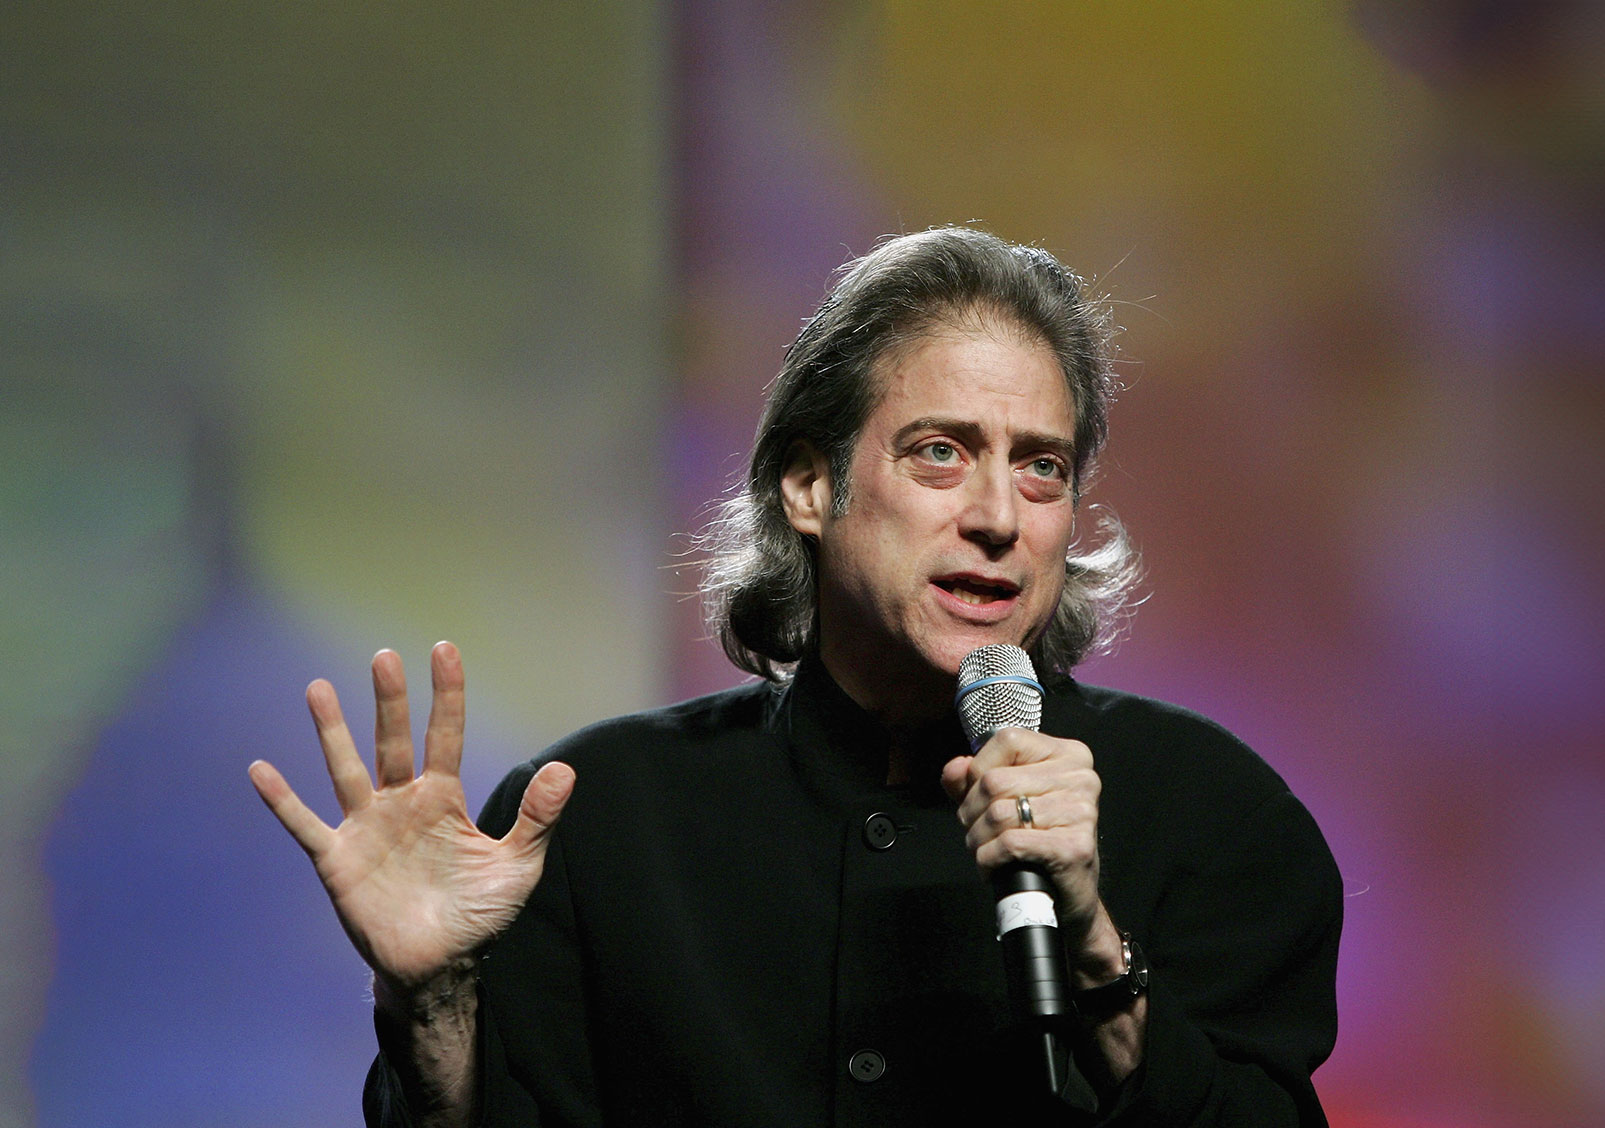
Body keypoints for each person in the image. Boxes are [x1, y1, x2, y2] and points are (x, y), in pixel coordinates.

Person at [250, 226, 1342, 1126]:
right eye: (939, 452)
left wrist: (1092, 936)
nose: (1000, 517)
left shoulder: (1215, 815)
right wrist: (433, 1000)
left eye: (1041, 466)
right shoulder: (597, 820)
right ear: (810, 487)